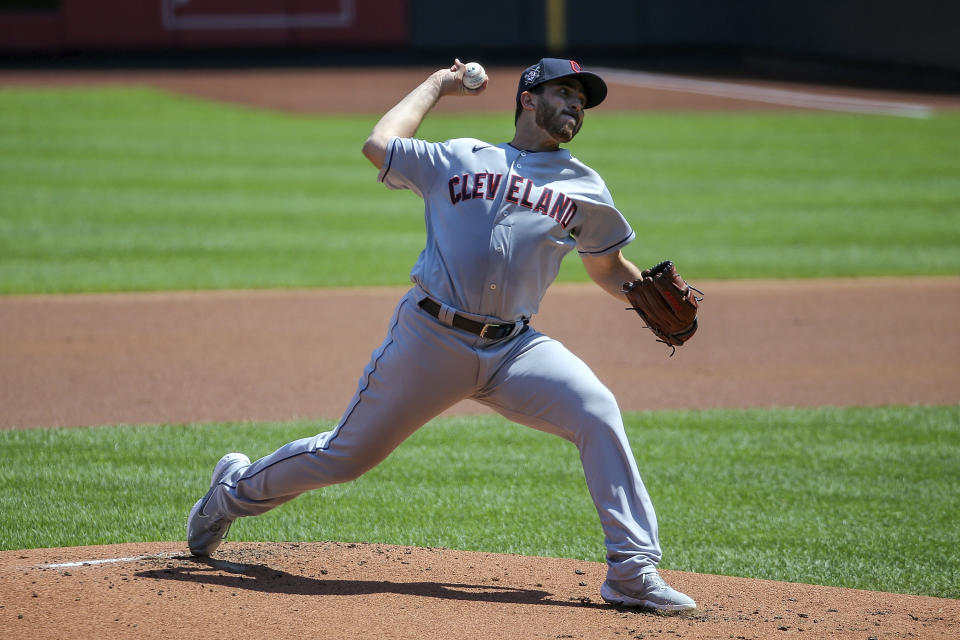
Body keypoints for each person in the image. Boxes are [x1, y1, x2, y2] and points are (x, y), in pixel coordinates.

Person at [187, 57, 696, 611]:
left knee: (596, 410)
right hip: (431, 339)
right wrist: (439, 85)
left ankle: (630, 570)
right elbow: (379, 144)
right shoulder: (459, 156)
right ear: (528, 98)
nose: (577, 105)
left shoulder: (584, 185)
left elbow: (606, 267)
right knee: (344, 457)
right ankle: (231, 491)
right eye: (566, 92)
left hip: (513, 349)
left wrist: (645, 297)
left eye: (583, 100)